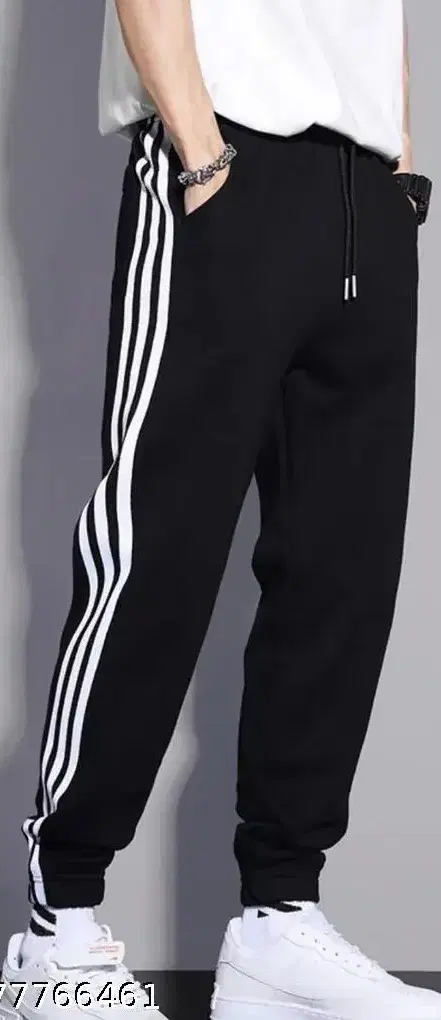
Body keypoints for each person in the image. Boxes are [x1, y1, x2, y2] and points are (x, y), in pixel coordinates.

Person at [0, 1, 436, 1018]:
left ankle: (279, 922)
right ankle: (58, 931)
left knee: (339, 572)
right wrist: (200, 151)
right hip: (225, 159)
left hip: (364, 189)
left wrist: (400, 164)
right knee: (156, 550)